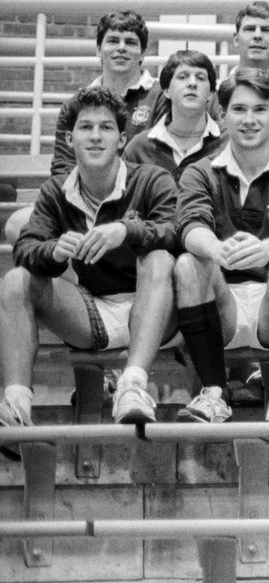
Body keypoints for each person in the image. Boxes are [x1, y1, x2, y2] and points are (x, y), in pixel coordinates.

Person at [0, 87, 176, 433]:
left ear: (122, 139)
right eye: (86, 127)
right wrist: (52, 252)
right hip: (92, 312)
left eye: (106, 128)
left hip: (157, 313)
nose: (95, 136)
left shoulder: (152, 178)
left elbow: (175, 231)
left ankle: (132, 386)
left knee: (159, 258)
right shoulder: (56, 190)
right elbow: (26, 247)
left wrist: (126, 231)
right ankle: (15, 406)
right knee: (16, 279)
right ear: (70, 138)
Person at [174, 69, 269, 423]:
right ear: (221, 115)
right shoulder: (200, 172)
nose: (249, 120)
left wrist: (267, 249)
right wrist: (216, 250)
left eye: (260, 109)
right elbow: (190, 224)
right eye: (238, 109)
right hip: (221, 304)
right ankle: (214, 396)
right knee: (188, 263)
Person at [49, 10, 166, 177]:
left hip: (141, 197)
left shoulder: (162, 97)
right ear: (98, 50)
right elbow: (63, 168)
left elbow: (160, 161)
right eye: (113, 41)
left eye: (131, 42)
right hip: (86, 198)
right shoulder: (74, 106)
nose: (121, 48)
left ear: (143, 53)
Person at [123, 50, 224, 180]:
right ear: (166, 90)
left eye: (200, 78)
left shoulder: (230, 141)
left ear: (210, 93)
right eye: (182, 77)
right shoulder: (139, 148)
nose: (192, 83)